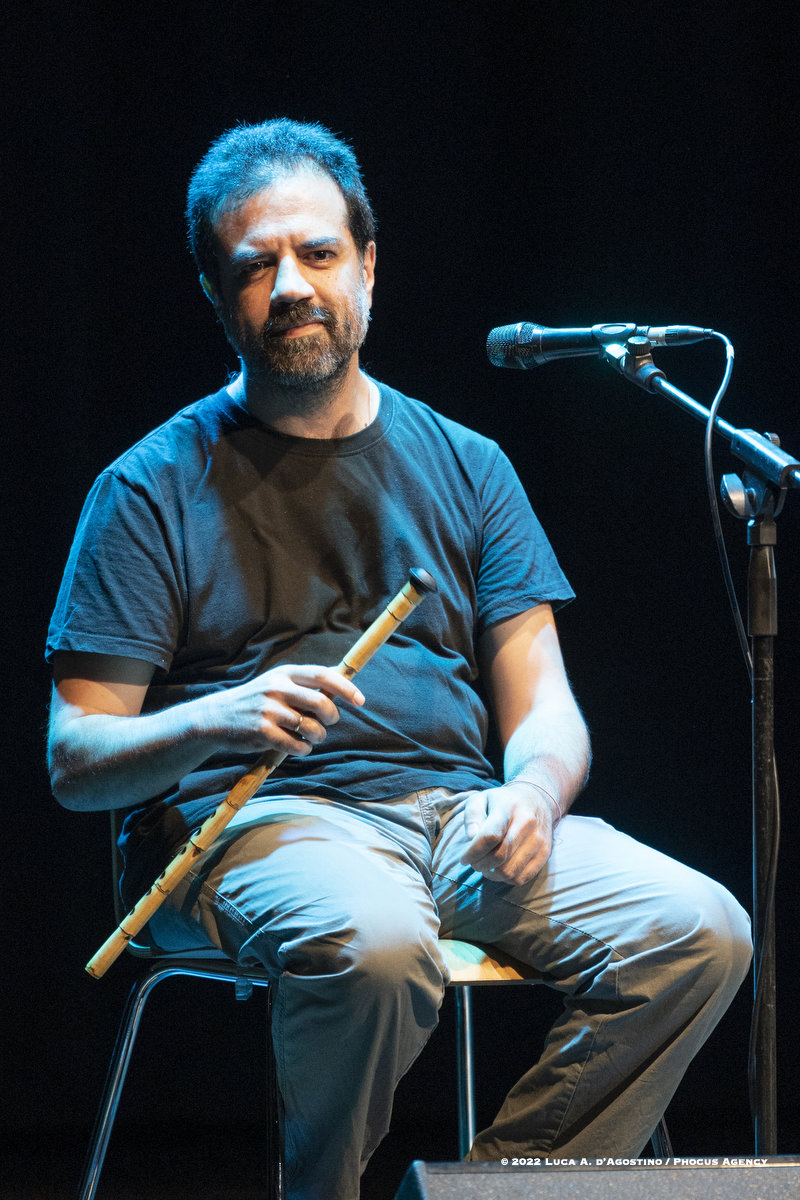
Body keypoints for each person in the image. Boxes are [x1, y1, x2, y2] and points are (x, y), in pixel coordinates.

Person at [46, 119, 752, 1200]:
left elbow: (545, 706)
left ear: (367, 266)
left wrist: (533, 793)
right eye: (256, 266)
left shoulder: (468, 465)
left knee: (700, 931)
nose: (292, 285)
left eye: (319, 253)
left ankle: (501, 1189)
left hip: (454, 823)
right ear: (215, 294)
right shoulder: (146, 489)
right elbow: (76, 759)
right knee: (375, 944)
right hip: (258, 827)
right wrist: (219, 718)